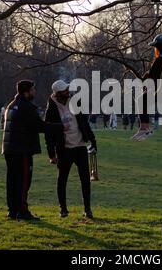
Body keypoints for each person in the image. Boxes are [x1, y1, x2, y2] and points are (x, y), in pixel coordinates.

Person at [2, 80, 64, 221]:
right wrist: (61, 126)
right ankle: (22, 211)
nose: (34, 92)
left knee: (12, 181)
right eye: (33, 89)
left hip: (10, 149)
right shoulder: (26, 107)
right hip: (22, 150)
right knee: (24, 181)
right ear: (26, 91)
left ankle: (13, 210)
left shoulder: (11, 105)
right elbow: (40, 126)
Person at [44, 80, 97, 219]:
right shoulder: (51, 108)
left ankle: (87, 209)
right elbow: (48, 133)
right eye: (65, 90)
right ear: (57, 93)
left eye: (67, 89)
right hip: (64, 148)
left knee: (85, 180)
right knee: (62, 179)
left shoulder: (74, 101)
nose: (68, 92)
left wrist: (93, 140)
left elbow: (84, 122)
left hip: (80, 146)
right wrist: (51, 154)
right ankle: (63, 209)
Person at [131, 34, 162, 141]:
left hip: (160, 90)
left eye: (156, 47)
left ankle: (144, 128)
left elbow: (152, 76)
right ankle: (144, 128)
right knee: (143, 101)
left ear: (159, 47)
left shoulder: (161, 59)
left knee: (141, 100)